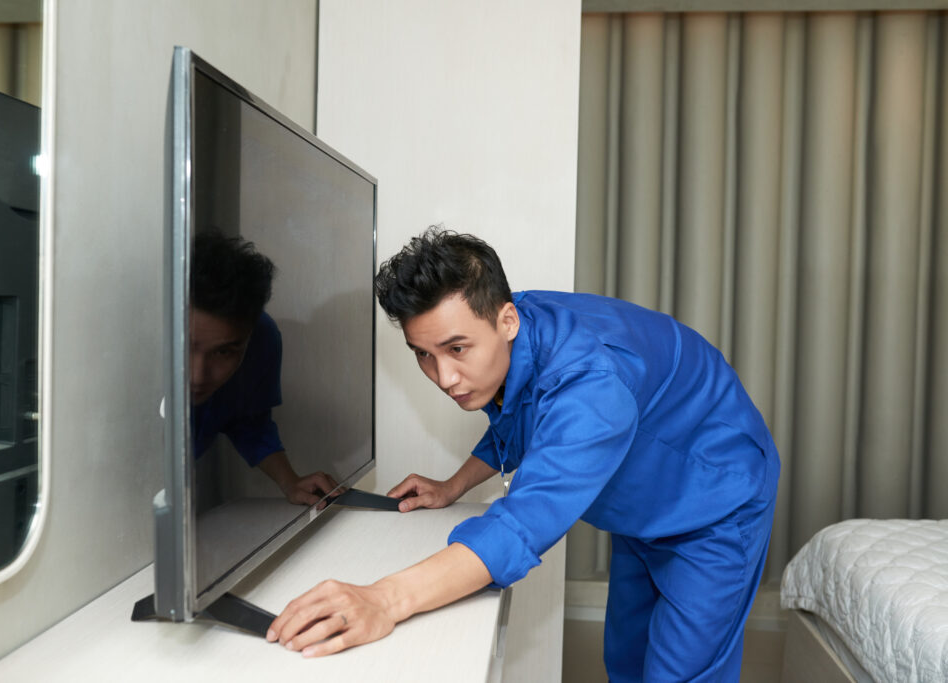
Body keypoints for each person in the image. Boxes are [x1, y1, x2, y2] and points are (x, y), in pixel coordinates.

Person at [267, 227, 779, 681]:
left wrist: (382, 598)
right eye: (424, 354)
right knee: (626, 662)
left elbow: (522, 523)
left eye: (456, 349)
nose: (444, 378)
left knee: (679, 675)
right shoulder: (513, 327)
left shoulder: (590, 383)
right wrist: (454, 485)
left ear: (506, 321)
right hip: (644, 505)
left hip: (716, 502)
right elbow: (520, 422)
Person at [191, 229, 339, 506]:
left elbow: (249, 421)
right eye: (185, 347)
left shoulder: (263, 337)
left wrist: (291, 482)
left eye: (223, 352)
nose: (197, 376)